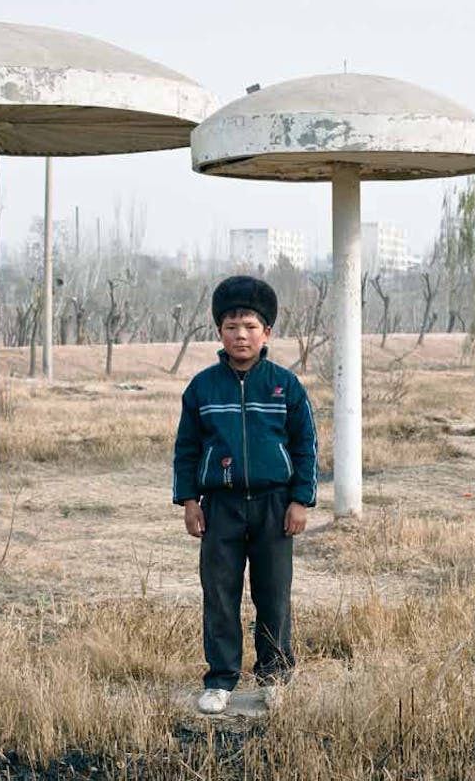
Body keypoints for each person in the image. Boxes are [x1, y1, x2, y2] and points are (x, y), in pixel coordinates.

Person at [172, 275, 318, 715]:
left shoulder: (285, 386)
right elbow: (186, 449)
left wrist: (300, 500)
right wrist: (190, 501)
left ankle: (274, 676)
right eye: (232, 326)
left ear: (266, 332)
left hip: (275, 506)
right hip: (221, 507)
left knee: (273, 594)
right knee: (220, 593)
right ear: (219, 331)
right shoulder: (203, 388)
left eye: (251, 326)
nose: (241, 335)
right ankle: (220, 680)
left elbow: (306, 446)